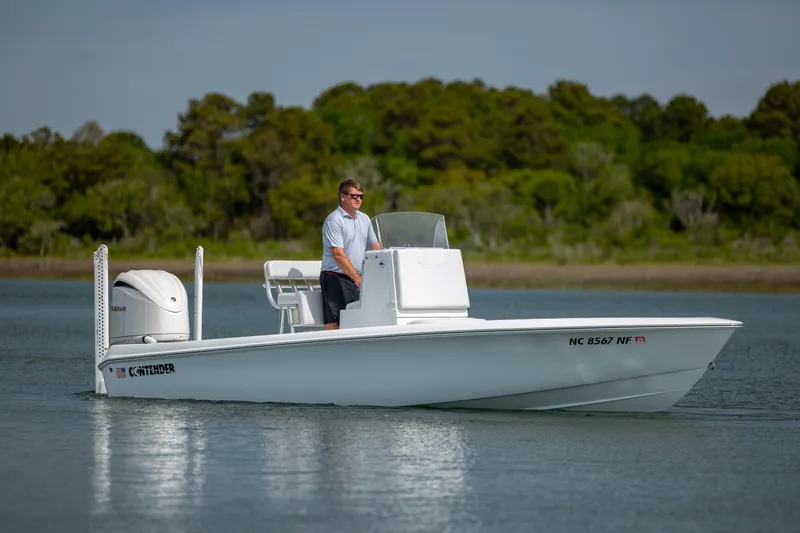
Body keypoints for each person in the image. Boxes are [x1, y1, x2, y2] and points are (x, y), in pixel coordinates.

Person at [320, 179, 382, 329]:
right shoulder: (334, 220)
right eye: (354, 196)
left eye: (361, 196)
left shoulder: (365, 218)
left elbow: (376, 247)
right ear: (343, 197)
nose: (358, 199)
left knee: (358, 321)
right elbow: (338, 254)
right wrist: (357, 278)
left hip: (357, 279)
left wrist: (384, 267)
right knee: (335, 324)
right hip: (336, 278)